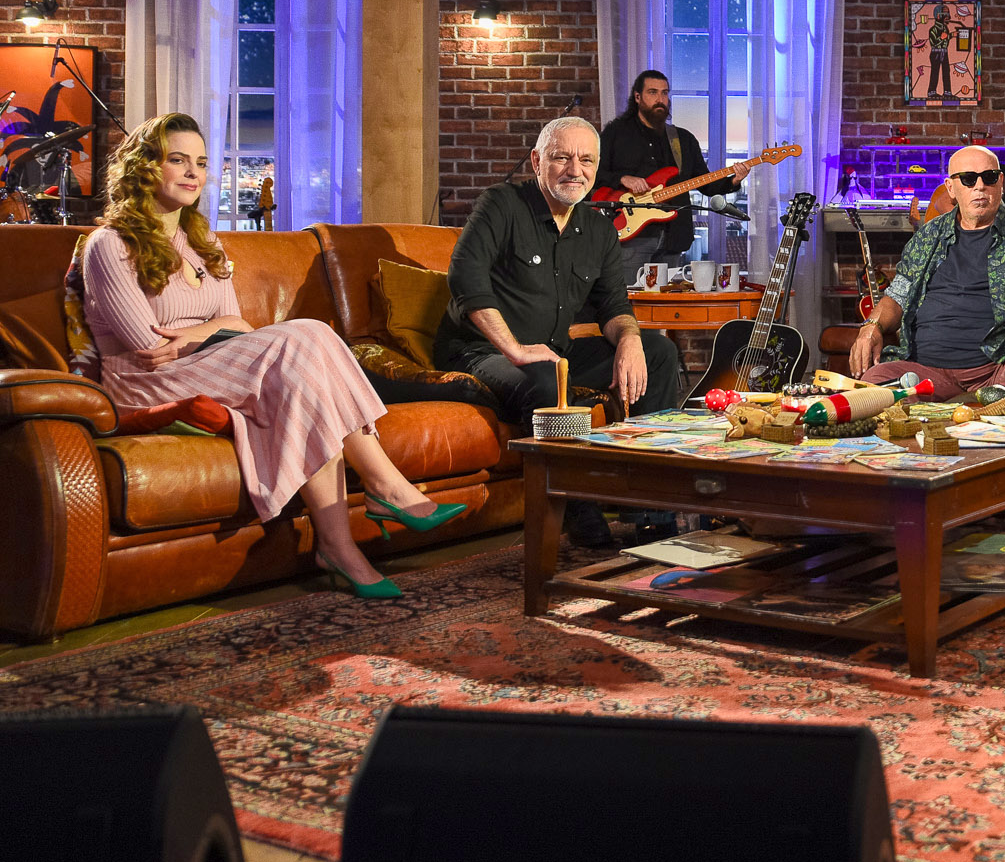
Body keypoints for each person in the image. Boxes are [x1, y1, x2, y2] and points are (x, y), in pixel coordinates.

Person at [80, 114, 467, 601]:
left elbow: (238, 324)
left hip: (202, 364)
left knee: (307, 378)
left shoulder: (204, 243)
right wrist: (210, 333)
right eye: (178, 160)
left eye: (201, 162)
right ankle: (386, 489)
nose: (193, 173)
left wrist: (195, 333)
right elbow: (148, 347)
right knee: (309, 335)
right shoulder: (110, 245)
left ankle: (339, 546)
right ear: (146, 168)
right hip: (145, 382)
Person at [436, 115, 682, 549]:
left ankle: (650, 509)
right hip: (482, 352)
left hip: (552, 354)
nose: (575, 170)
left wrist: (629, 339)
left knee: (658, 352)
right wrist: (515, 349)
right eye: (562, 158)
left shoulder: (598, 229)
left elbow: (613, 305)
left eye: (586, 160)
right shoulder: (502, 204)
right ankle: (576, 506)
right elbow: (465, 278)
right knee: (547, 376)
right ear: (536, 161)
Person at [850, 144, 1005, 532]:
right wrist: (872, 326)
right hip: (929, 370)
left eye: (989, 178)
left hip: (1003, 366)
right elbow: (897, 296)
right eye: (968, 179)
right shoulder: (929, 237)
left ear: (1001, 183)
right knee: (873, 385)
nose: (980, 186)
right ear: (951, 188)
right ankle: (891, 500)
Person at [597, 70, 740, 285]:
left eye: (664, 93)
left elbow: (705, 183)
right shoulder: (615, 133)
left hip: (674, 236)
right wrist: (623, 179)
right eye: (653, 92)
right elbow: (593, 173)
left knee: (664, 301)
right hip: (631, 235)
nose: (660, 99)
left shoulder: (682, 139)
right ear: (637, 97)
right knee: (627, 299)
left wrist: (734, 180)